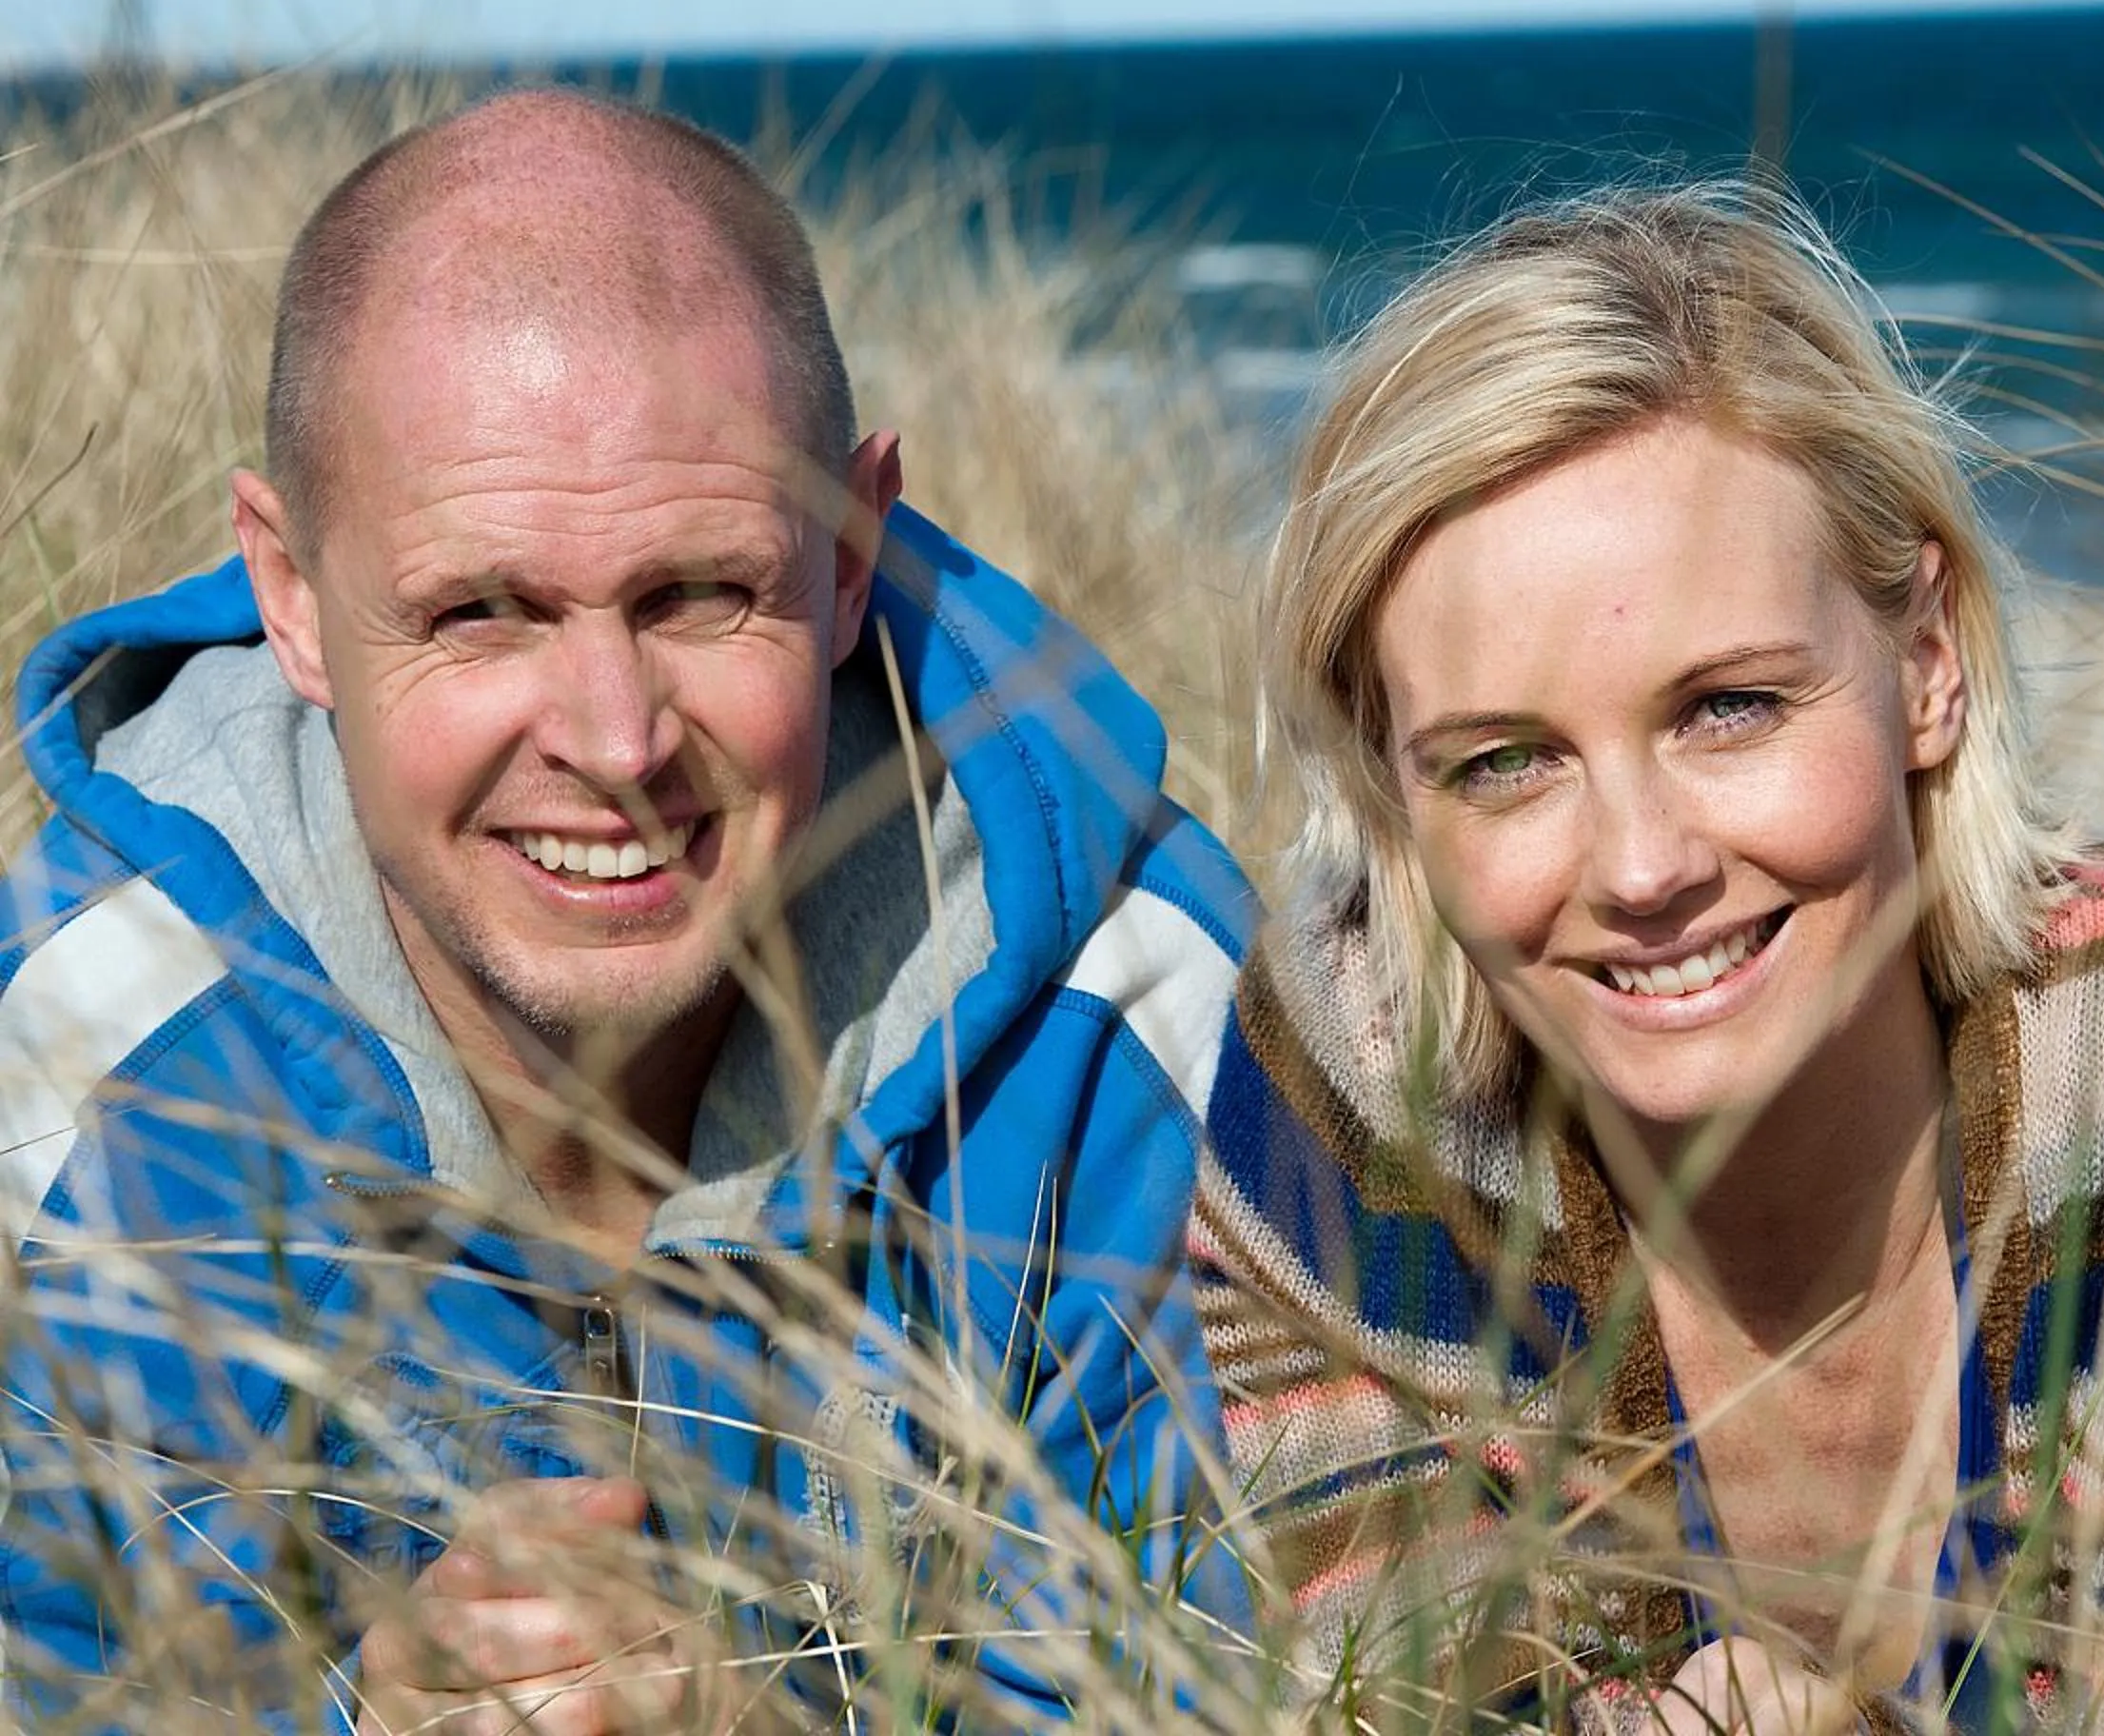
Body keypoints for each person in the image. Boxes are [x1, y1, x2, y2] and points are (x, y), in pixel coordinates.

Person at [1190, 185, 2104, 1731]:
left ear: (1924, 661)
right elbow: (1408, 1696)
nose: (1642, 869)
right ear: (1393, 787)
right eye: (1505, 762)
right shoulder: (1354, 1107)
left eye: (1729, 707)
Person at [0, 89, 1250, 1732]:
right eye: (482, 610)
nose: (615, 741)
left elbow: (1271, 1685)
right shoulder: (67, 1082)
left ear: (851, 553)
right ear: (290, 595)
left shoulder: (1133, 1028)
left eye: (701, 593)